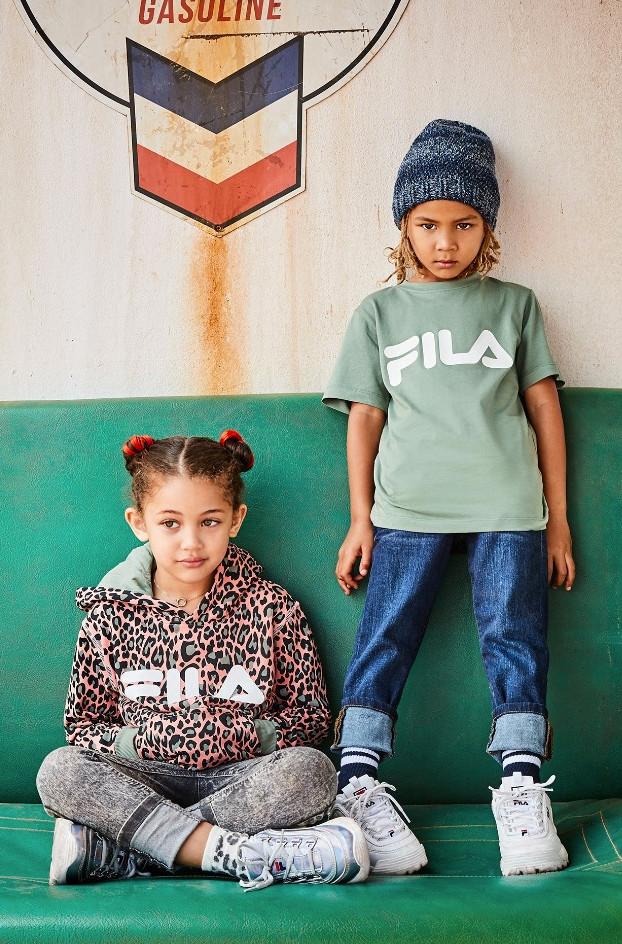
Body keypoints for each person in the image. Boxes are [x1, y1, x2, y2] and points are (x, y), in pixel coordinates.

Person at [323, 119, 575, 878]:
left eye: (464, 224)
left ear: (487, 227)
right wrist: (360, 518)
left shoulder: (516, 305)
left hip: (508, 508)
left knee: (515, 639)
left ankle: (522, 791)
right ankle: (358, 786)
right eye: (428, 223)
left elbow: (544, 410)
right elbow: (364, 419)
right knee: (386, 635)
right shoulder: (378, 314)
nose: (445, 241)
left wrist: (559, 520)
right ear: (403, 224)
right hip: (406, 510)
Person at [37, 431, 369, 891]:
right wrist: (144, 742)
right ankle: (228, 853)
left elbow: (311, 719)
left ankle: (131, 852)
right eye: (170, 523)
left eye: (209, 521)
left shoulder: (272, 607)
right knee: (60, 770)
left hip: (239, 779)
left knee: (312, 772)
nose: (191, 542)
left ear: (236, 519)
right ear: (139, 523)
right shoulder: (108, 616)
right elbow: (83, 726)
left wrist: (245, 736)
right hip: (148, 779)